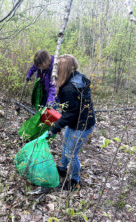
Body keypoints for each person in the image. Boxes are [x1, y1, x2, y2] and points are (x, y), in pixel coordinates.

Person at [46, 54, 96, 191]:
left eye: (57, 68)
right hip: (79, 122)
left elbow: (70, 113)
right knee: (66, 146)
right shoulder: (77, 77)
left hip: (81, 126)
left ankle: (75, 181)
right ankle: (62, 168)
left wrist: (54, 128)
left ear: (63, 69)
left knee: (71, 153)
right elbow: (72, 110)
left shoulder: (69, 88)